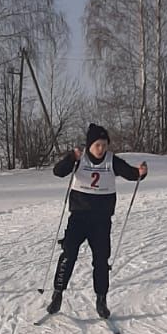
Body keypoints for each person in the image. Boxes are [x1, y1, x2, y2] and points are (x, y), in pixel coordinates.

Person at [47, 123, 147, 318]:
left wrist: (141, 172)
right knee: (68, 254)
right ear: (89, 145)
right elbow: (58, 172)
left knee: (101, 261)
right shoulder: (79, 158)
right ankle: (57, 294)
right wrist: (70, 158)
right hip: (78, 218)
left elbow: (132, 174)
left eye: (104, 144)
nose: (101, 149)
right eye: (97, 145)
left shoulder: (112, 161)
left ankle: (101, 299)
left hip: (101, 221)